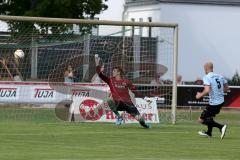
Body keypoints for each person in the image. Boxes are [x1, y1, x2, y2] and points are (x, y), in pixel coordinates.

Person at [95, 55, 150, 128]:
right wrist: (97, 63)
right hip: (118, 103)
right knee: (109, 100)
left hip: (128, 104)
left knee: (141, 121)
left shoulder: (126, 81)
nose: (113, 72)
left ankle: (145, 125)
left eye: (114, 71)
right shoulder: (110, 80)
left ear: (119, 72)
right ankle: (119, 117)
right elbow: (100, 74)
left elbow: (135, 91)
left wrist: (145, 98)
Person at [196, 62, 228, 139]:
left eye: (204, 68)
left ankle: (221, 127)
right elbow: (226, 89)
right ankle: (209, 133)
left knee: (200, 120)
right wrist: (218, 91)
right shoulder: (220, 76)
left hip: (214, 103)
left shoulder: (206, 77)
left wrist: (199, 95)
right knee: (209, 118)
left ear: (206, 68)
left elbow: (207, 90)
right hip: (221, 101)